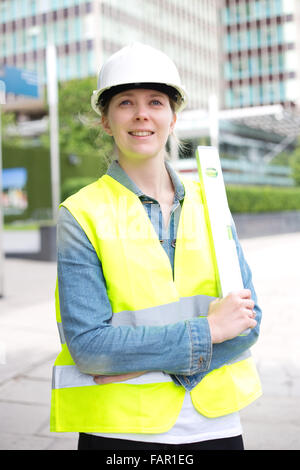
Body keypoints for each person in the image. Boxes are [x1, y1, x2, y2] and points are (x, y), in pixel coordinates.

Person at [50, 42, 262, 451]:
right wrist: (210, 331)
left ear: (172, 116)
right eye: (125, 102)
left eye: (156, 102)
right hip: (119, 434)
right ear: (107, 120)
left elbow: (250, 321)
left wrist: (141, 362)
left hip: (215, 427)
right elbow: (91, 349)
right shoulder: (81, 213)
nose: (142, 114)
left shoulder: (211, 200)